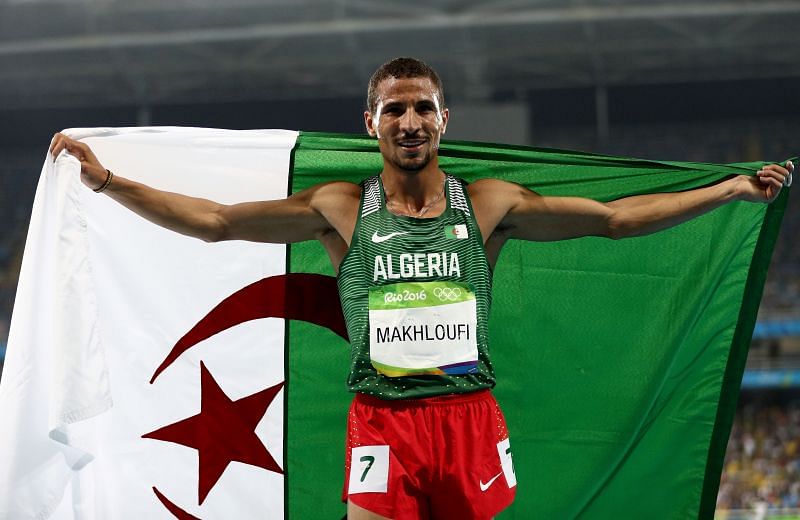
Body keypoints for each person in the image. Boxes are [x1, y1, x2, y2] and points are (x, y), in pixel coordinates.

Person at [49, 57, 792, 520]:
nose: (410, 120)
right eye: (395, 108)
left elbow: (616, 221)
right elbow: (214, 221)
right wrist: (108, 181)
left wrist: (727, 190)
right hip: (381, 421)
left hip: (468, 416)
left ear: (444, 119)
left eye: (423, 107)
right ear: (370, 122)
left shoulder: (489, 203)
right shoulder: (341, 208)